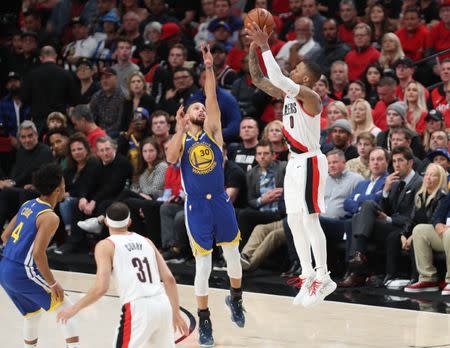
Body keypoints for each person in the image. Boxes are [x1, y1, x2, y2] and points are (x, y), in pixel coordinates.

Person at [247, 21, 336, 307]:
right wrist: (253, 49)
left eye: (297, 70)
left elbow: (278, 76)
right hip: (294, 164)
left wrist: (265, 45)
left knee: (310, 219)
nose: (292, 70)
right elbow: (260, 79)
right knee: (294, 221)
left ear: (307, 80)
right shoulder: (287, 94)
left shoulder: (311, 97)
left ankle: (324, 277)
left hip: (310, 161)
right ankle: (308, 275)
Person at [166, 43, 245, 346]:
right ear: (186, 117)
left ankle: (235, 298)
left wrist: (209, 67)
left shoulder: (213, 131)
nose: (200, 108)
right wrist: (178, 127)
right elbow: (171, 159)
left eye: (201, 107)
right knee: (204, 265)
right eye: (194, 108)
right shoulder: (182, 140)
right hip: (196, 207)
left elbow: (211, 95)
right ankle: (205, 320)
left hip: (220, 200)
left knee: (234, 257)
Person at [57, 202, 188, 346]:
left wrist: (74, 308)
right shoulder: (147, 241)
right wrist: (176, 313)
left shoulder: (105, 246)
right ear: (130, 222)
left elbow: (101, 288)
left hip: (138, 307)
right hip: (163, 305)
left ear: (106, 221)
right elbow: (169, 279)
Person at [0, 163, 80, 348]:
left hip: (4, 269)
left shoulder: (28, 204)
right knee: (66, 308)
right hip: (22, 271)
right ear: (58, 190)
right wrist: (52, 283)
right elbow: (38, 253)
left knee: (32, 315)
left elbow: (5, 236)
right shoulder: (50, 217)